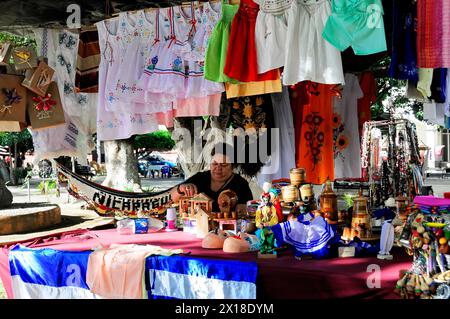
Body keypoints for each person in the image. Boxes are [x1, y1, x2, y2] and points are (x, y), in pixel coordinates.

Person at [170, 143, 253, 214]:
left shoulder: (241, 184)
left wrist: (242, 209)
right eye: (214, 164)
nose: (218, 168)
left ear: (233, 167)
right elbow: (172, 197)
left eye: (224, 165)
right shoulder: (201, 178)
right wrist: (180, 189)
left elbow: (249, 210)